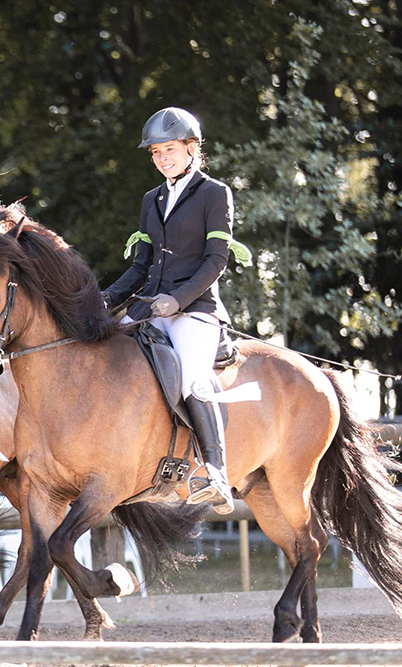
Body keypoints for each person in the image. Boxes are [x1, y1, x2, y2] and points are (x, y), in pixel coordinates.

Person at [103, 108, 251, 515]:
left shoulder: (214, 193)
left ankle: (215, 473)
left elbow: (215, 261)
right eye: (156, 152)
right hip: (151, 306)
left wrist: (179, 300)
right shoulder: (151, 200)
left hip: (195, 310)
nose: (163, 157)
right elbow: (139, 266)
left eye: (170, 149)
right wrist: (105, 300)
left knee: (191, 381)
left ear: (191, 148)